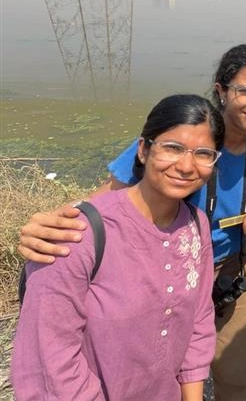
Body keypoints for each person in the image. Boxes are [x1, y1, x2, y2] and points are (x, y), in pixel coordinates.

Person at [17, 44, 246, 401]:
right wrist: (60, 223)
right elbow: (109, 195)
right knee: (147, 361)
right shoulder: (182, 132)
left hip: (228, 266)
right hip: (158, 265)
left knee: (237, 371)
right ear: (222, 90)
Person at [12, 94, 220, 400]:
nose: (187, 166)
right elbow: (50, 358)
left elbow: (199, 323)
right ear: (143, 150)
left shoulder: (196, 225)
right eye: (172, 148)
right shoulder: (77, 233)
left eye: (203, 153)